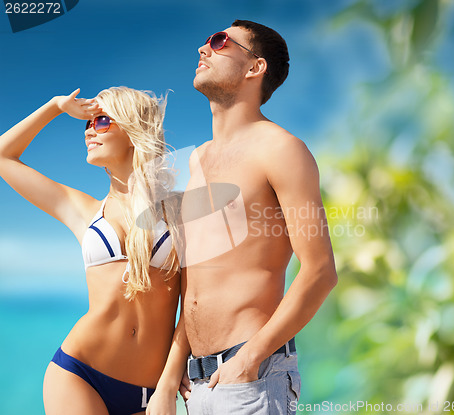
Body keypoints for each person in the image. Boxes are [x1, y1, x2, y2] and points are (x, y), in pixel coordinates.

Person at [146, 20, 337, 415]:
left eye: (219, 42)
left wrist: (251, 359)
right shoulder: (197, 160)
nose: (203, 48)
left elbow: (320, 271)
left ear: (255, 68)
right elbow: (198, 284)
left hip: (251, 378)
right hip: (196, 384)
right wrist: (168, 376)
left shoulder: (282, 150)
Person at [0, 86, 181, 415]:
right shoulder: (83, 210)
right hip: (78, 373)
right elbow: (2, 156)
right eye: (86, 125)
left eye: (100, 122)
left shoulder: (179, 214)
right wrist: (55, 106)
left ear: (130, 129)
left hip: (148, 388)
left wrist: (171, 379)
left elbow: (196, 302)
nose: (88, 131)